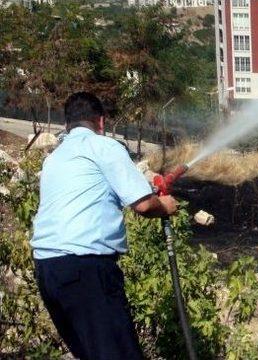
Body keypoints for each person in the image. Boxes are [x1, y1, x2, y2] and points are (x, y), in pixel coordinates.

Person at [30, 92, 178, 359]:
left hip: (47, 269)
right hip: (84, 268)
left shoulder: (54, 159)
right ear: (101, 122)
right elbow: (143, 205)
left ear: (67, 125)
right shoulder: (104, 147)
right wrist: (165, 205)